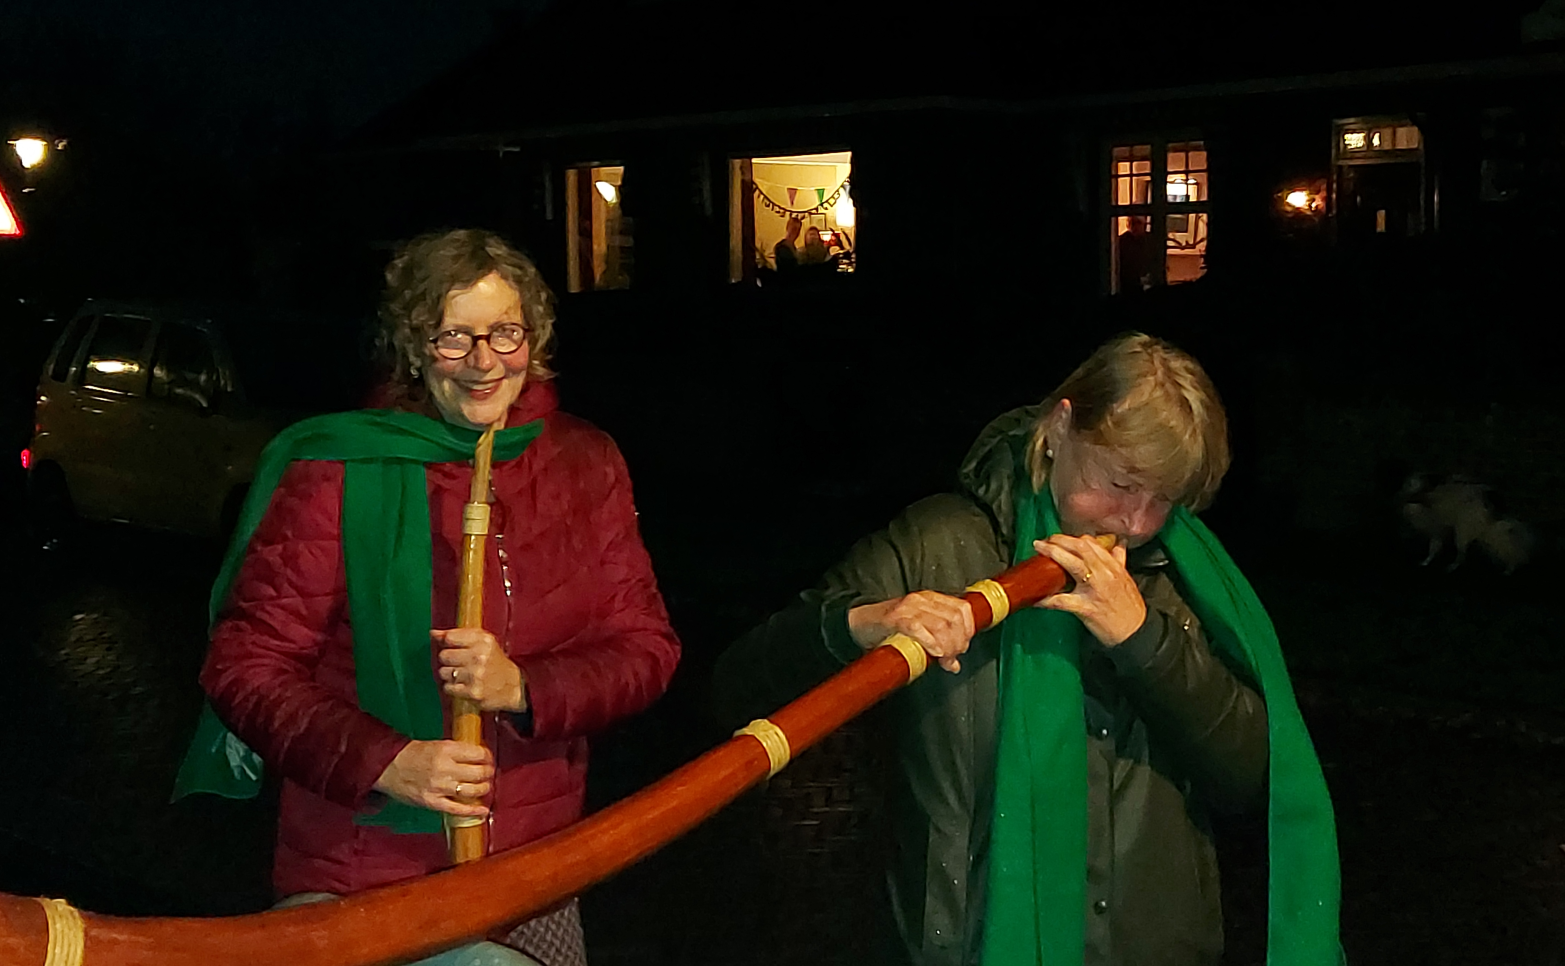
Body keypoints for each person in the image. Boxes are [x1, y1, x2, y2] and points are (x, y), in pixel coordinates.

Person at [713, 333, 1341, 966]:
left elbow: (1252, 779)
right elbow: (739, 684)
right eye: (1121, 483)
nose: (1137, 522)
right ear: (1060, 428)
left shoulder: (1185, 578)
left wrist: (1145, 642)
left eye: (1165, 499)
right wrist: (858, 623)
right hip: (964, 948)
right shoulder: (939, 545)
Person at [176, 229, 682, 966]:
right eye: (453, 337)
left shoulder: (584, 461)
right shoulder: (341, 470)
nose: (484, 362)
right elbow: (244, 667)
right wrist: (386, 762)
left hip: (535, 868)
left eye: (505, 332)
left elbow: (647, 648)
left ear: (534, 337)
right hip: (366, 870)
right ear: (413, 348)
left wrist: (526, 687)